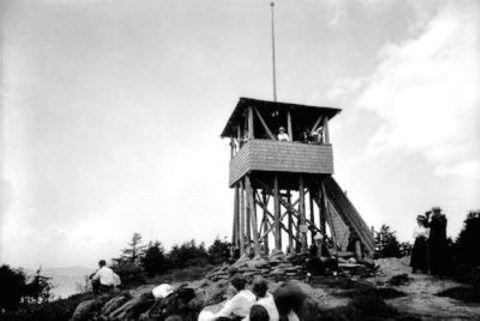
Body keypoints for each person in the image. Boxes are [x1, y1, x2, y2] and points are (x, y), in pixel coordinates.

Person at [427, 207, 449, 276]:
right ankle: (434, 271)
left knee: (440, 255)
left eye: (436, 211)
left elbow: (439, 225)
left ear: (439, 212)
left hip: (440, 240)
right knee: (433, 255)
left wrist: (433, 218)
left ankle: (441, 272)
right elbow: (426, 225)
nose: (435, 213)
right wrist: (427, 217)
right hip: (433, 239)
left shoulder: (443, 218)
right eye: (434, 212)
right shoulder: (434, 219)